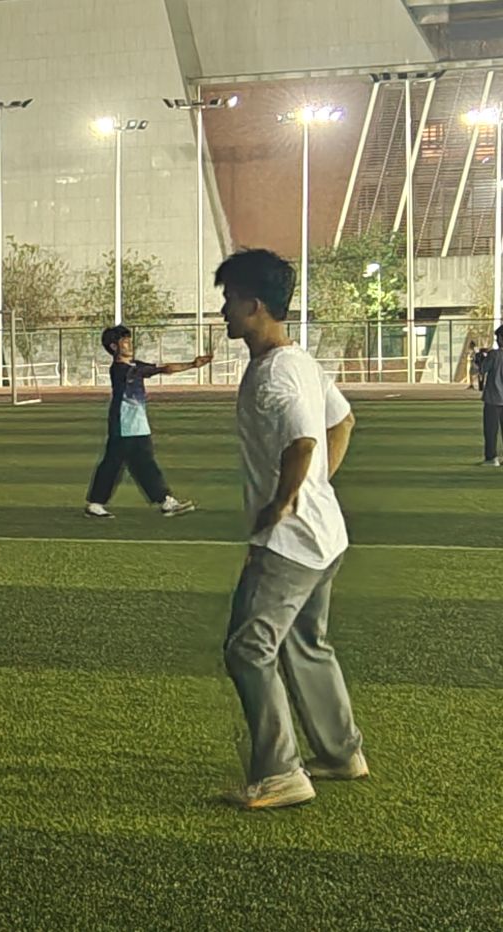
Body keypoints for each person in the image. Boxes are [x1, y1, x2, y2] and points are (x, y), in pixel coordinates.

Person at [211, 248, 366, 810]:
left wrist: (282, 504)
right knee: (305, 643)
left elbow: (303, 442)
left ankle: (281, 773)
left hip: (291, 543)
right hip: (327, 536)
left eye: (229, 300)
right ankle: (341, 752)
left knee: (247, 649)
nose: (223, 311)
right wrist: (318, 485)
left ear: (254, 305)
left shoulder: (275, 375)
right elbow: (342, 421)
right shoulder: (299, 360)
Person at [84, 325, 209, 518]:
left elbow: (162, 369)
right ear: (114, 347)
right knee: (115, 464)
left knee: (142, 464)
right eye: (125, 341)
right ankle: (97, 504)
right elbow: (162, 369)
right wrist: (191, 365)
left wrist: (193, 365)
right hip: (123, 424)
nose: (129, 344)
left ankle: (164, 500)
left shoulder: (134, 365)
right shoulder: (120, 370)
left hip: (137, 424)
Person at [482, 325, 503, 466]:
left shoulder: (494, 355)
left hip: (494, 398)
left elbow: (482, 369)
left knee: (490, 430)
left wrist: (480, 359)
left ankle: (491, 458)